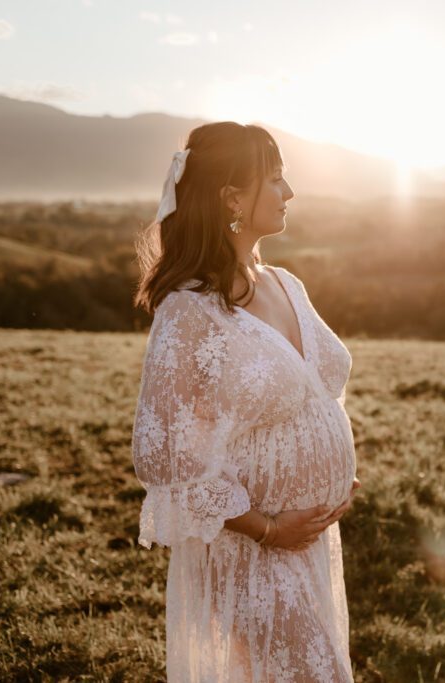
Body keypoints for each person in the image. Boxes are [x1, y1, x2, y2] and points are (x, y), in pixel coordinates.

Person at [130, 121, 360, 681]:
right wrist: (265, 527)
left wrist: (333, 472)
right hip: (253, 555)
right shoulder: (188, 312)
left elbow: (317, 392)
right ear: (232, 197)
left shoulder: (286, 283)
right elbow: (165, 458)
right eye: (275, 179)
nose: (289, 193)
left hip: (307, 544)